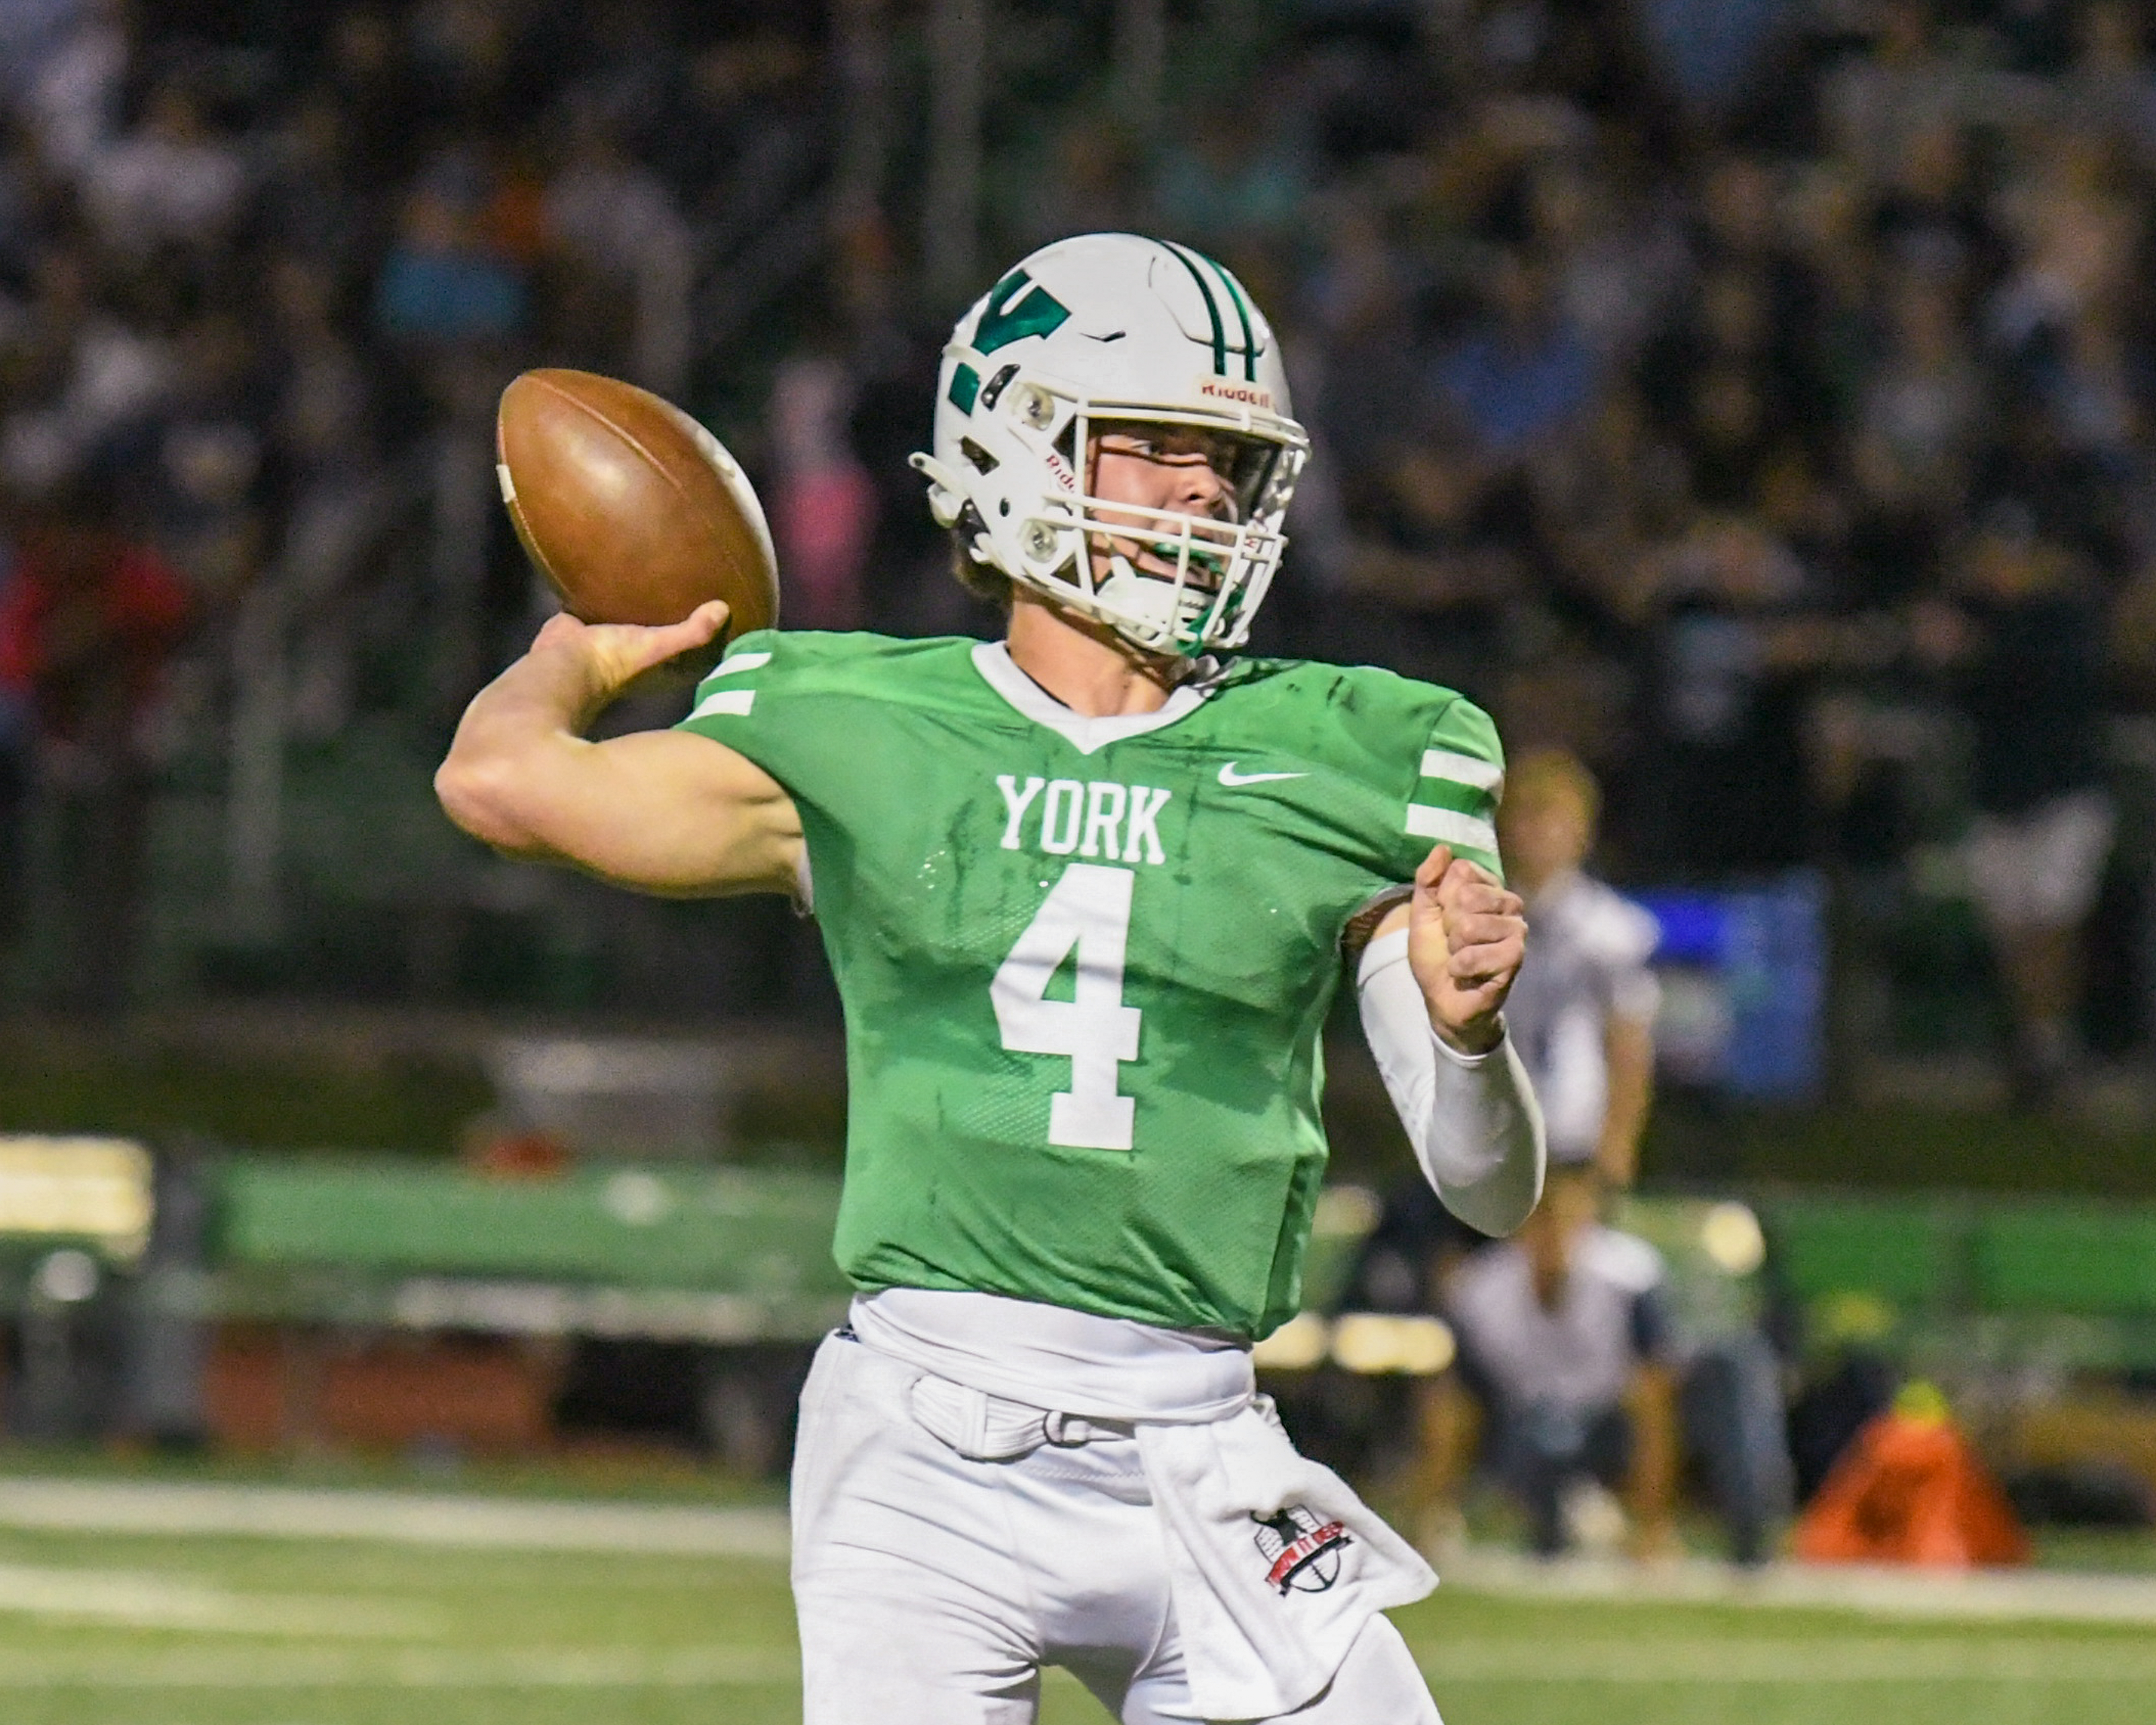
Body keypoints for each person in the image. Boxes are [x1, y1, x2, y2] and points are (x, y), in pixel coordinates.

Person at [438, 233, 1545, 1724]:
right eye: (1152, 446)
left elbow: (1489, 1190)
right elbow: (500, 780)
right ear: (1013, 446)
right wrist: (592, 638)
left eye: (1226, 457)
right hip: (923, 1450)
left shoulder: (1362, 748)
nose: (1202, 491)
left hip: (1204, 1447)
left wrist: (1472, 1040)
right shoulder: (856, 721)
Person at [1411, 1162, 1680, 1562]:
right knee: (1532, 1448)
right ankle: (1559, 1516)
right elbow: (1453, 1401)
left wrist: (1652, 1523)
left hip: (1608, 1427)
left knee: (1669, 1400)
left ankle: (1628, 1523)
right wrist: (1432, 1508)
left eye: (1566, 1218)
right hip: (1519, 1432)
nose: (1553, 1233)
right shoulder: (1481, 1290)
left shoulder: (1629, 1278)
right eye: (1542, 1219)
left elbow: (1654, 1401)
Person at [1493, 748, 1658, 1187]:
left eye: (1554, 819)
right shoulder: (1481, 919)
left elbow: (1628, 1041)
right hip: (1494, 1137)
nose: (1538, 834)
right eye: (1526, 818)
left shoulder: (1611, 930)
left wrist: (1619, 1141)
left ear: (1582, 832)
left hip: (1574, 1136)